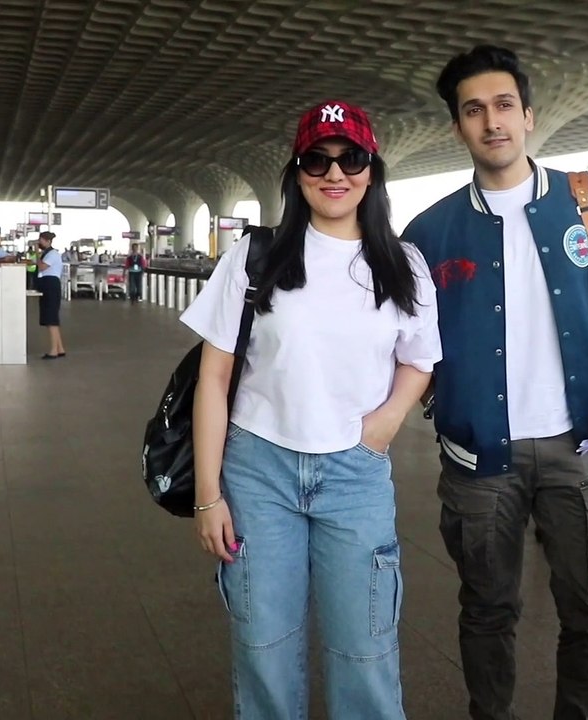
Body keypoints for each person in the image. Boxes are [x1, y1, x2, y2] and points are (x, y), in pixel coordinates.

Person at [403, 45, 588, 720]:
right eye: (473, 110)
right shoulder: (428, 233)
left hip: (582, 447)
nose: (492, 122)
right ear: (457, 127)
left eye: (503, 106)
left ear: (528, 115)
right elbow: (398, 340)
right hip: (477, 460)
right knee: (487, 612)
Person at [180, 99, 441, 719]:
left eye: (351, 158)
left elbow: (420, 360)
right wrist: (209, 495)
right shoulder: (255, 256)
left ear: (371, 171)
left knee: (365, 651)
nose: (335, 172)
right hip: (257, 471)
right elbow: (214, 379)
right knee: (263, 648)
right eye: (316, 158)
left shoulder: (402, 266)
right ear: (297, 172)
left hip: (354, 474)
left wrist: (384, 423)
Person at [35, 231, 67, 359]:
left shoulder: (52, 254)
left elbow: (42, 267)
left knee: (51, 319)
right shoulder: (48, 253)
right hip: (48, 284)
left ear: (47, 241)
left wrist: (37, 254)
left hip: (51, 284)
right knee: (51, 319)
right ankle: (60, 348)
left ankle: (53, 351)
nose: (39, 243)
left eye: (41, 240)